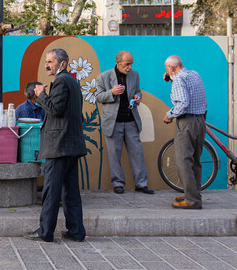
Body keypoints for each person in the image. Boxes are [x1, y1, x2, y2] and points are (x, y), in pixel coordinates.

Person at [24, 48, 86, 242]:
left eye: (50, 61)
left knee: (51, 191)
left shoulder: (60, 81)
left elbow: (55, 109)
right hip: (71, 145)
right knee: (71, 192)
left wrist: (41, 94)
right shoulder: (73, 82)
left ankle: (45, 232)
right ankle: (76, 232)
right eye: (46, 61)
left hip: (58, 146)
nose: (46, 65)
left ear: (63, 64)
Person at [95, 51, 154, 195]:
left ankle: (141, 184)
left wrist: (138, 97)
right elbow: (98, 96)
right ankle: (118, 183)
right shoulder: (104, 77)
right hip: (113, 123)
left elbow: (138, 91)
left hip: (131, 120)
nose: (130, 67)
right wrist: (112, 92)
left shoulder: (135, 75)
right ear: (118, 63)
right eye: (127, 64)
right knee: (114, 154)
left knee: (137, 153)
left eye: (131, 63)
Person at [163, 55, 207, 209]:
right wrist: (171, 79)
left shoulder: (179, 80)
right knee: (195, 161)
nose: (166, 72)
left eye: (166, 68)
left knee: (183, 161)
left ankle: (191, 200)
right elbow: (190, 92)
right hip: (200, 121)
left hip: (187, 122)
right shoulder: (194, 74)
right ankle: (194, 193)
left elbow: (183, 103)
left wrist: (169, 115)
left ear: (170, 68)